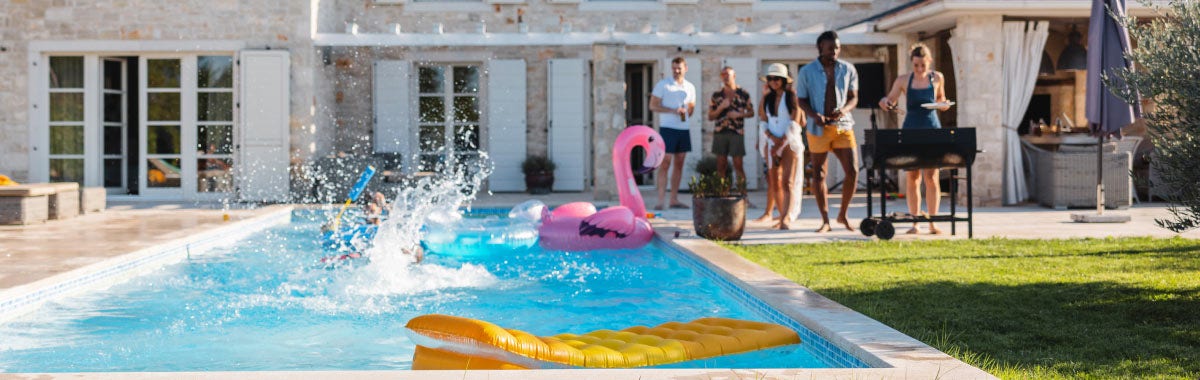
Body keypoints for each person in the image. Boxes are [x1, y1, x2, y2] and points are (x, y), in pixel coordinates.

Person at [879, 43, 951, 235]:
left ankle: (933, 222)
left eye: (923, 65)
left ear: (929, 62)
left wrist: (943, 105)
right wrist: (885, 102)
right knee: (913, 176)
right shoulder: (903, 79)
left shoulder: (938, 77)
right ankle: (915, 222)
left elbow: (942, 98)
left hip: (932, 129)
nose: (919, 69)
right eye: (916, 65)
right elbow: (891, 99)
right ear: (912, 63)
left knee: (931, 176)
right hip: (911, 129)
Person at [797, 30, 860, 233]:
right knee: (819, 174)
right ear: (820, 48)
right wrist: (814, 115)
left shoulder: (848, 69)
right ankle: (825, 220)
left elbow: (853, 97)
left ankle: (843, 214)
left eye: (838, 48)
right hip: (818, 128)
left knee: (852, 171)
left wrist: (844, 109)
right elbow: (801, 100)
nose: (835, 51)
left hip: (843, 126)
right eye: (831, 48)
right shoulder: (807, 71)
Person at [753, 64, 804, 230]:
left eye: (776, 78)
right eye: (770, 79)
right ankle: (782, 214)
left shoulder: (791, 97)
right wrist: (771, 139)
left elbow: (795, 122)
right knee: (775, 182)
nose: (773, 82)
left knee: (788, 181)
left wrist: (781, 141)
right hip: (772, 142)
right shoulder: (766, 99)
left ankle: (786, 218)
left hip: (789, 142)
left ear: (783, 80)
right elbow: (762, 121)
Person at [650, 57, 697, 211]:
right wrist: (672, 111)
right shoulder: (663, 85)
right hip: (667, 128)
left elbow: (691, 108)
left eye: (679, 68)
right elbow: (653, 106)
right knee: (665, 162)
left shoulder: (690, 87)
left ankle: (674, 199)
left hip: (683, 129)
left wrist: (686, 111)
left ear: (686, 68)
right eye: (674, 68)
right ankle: (661, 200)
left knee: (679, 163)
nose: (676, 71)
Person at [707, 66, 755, 183]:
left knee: (738, 164)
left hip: (737, 132)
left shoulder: (743, 94)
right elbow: (710, 116)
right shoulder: (716, 95)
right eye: (723, 75)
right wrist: (720, 107)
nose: (725, 77)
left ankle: (742, 194)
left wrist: (738, 115)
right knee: (720, 165)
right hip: (720, 133)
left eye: (728, 74)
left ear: (734, 76)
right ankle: (721, 193)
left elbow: (751, 112)